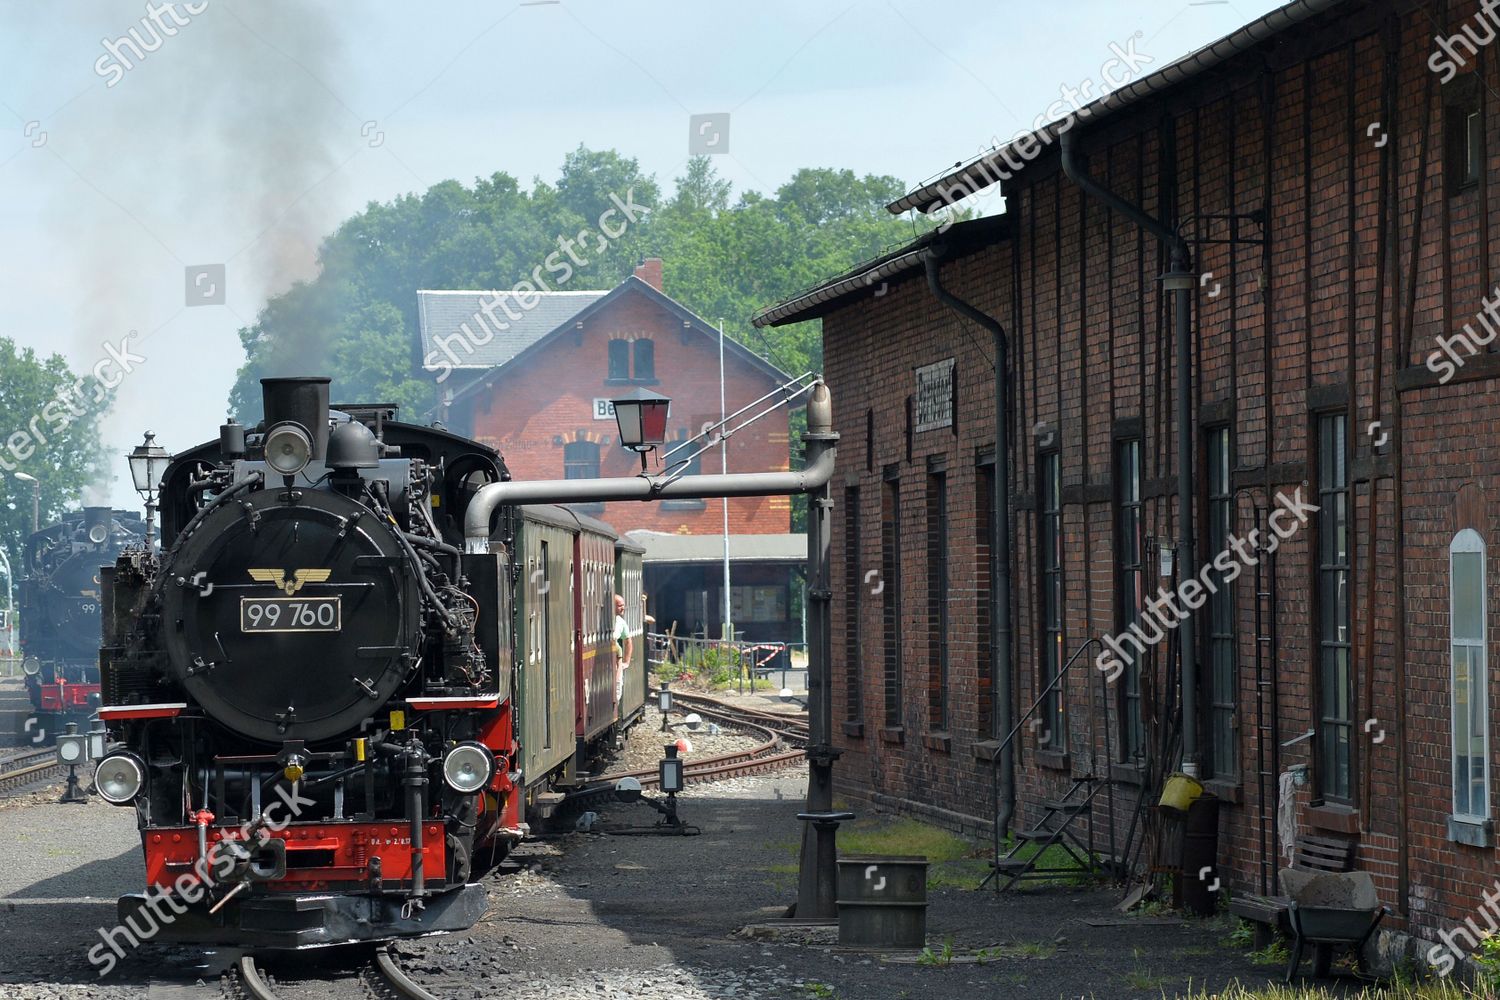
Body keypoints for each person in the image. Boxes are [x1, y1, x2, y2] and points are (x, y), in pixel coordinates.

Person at [613, 593, 632, 706]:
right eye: (620, 605)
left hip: (617, 659)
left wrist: (627, 662)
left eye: (623, 605)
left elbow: (628, 641)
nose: (622, 608)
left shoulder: (620, 622)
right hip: (609, 657)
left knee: (617, 684)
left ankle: (616, 705)